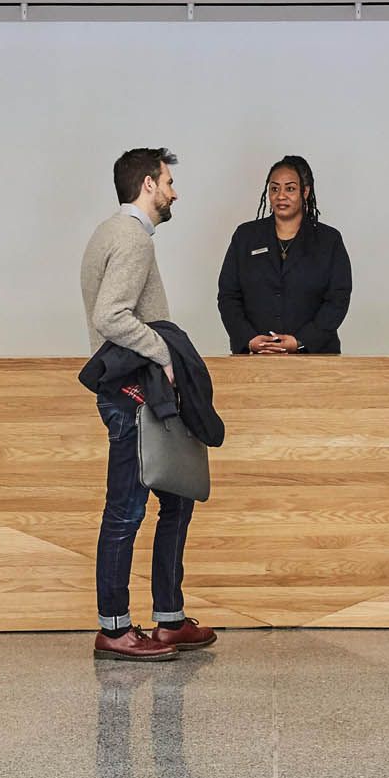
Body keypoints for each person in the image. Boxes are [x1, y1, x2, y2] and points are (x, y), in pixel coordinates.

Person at [79, 147, 218, 662]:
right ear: (148, 185)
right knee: (127, 509)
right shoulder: (132, 238)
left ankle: (169, 620)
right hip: (133, 394)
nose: (174, 192)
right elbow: (111, 316)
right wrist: (165, 355)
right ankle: (114, 629)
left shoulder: (108, 232)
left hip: (134, 393)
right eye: (168, 182)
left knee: (176, 499)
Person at [216, 155, 353, 355]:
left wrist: (301, 341)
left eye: (290, 189)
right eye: (274, 189)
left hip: (316, 357)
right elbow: (228, 296)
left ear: (305, 192)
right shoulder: (245, 236)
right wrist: (249, 339)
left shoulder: (329, 240)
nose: (281, 196)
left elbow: (338, 299)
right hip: (255, 357)